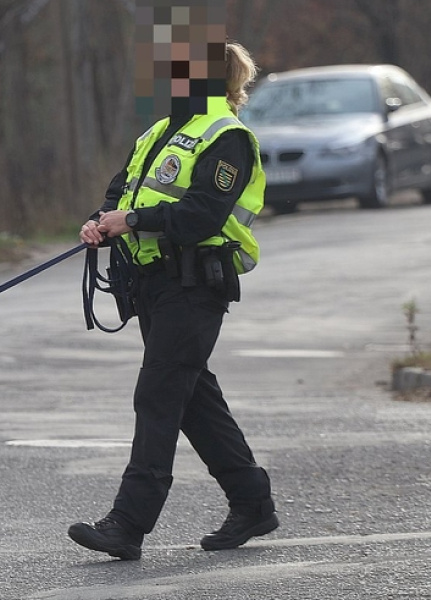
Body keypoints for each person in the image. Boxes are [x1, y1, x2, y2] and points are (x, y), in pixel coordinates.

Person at [68, 27, 276, 560]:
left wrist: (130, 219)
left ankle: (127, 525)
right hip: (153, 284)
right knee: (192, 398)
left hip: (196, 283)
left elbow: (203, 213)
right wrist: (100, 221)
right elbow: (121, 190)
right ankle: (252, 503)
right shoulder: (160, 130)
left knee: (159, 395)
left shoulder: (227, 136)